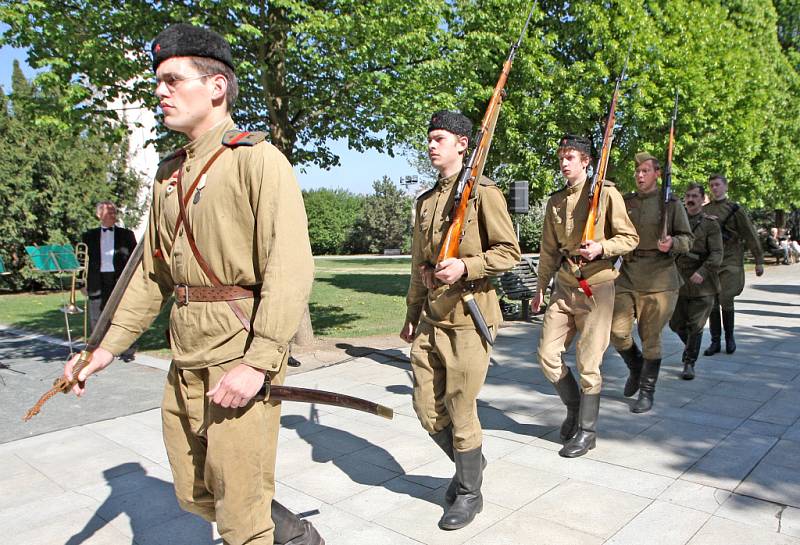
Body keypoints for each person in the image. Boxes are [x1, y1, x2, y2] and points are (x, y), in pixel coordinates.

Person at [64, 24, 321, 545]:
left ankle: (270, 529)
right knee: (194, 491)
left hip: (238, 352)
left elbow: (290, 267)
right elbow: (150, 275)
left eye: (173, 80)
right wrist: (105, 347)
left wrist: (260, 360)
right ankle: (290, 532)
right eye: (158, 81)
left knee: (239, 519)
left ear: (216, 87)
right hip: (185, 356)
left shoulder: (257, 160)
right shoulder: (168, 176)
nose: (160, 91)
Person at [400, 111, 520, 530]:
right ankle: (472, 463)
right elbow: (420, 265)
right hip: (432, 319)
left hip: (470, 318)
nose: (431, 145)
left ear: (463, 144)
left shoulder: (484, 194)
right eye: (429, 138)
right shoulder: (427, 201)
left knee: (460, 406)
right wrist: (411, 313)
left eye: (439, 139)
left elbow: (509, 252)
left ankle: (469, 492)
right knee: (426, 408)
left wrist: (467, 267)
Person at [532, 135, 638, 458]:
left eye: (571, 157)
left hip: (597, 288)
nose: (564, 163)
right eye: (562, 157)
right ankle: (575, 408)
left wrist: (602, 247)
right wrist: (540, 287)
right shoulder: (555, 202)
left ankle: (587, 432)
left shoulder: (606, 195)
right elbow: (549, 251)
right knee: (547, 356)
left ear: (586, 162)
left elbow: (630, 238)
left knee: (588, 363)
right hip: (565, 286)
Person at [610, 152, 693, 413]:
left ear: (657, 174)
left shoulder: (671, 203)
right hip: (629, 274)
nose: (639, 175)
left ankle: (647, 391)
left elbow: (687, 239)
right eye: (637, 171)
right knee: (617, 331)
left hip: (660, 279)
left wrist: (672, 244)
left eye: (646, 170)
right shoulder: (626, 203)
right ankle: (636, 367)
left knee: (651, 338)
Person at [703, 174, 764, 355]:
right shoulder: (705, 210)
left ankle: (729, 338)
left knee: (725, 298)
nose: (714, 188)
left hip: (731, 259)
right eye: (711, 185)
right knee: (712, 301)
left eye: (717, 185)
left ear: (725, 187)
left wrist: (759, 260)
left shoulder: (735, 209)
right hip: (712, 261)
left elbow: (750, 234)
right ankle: (715, 342)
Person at [668, 183, 723, 380]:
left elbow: (717, 253)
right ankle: (690, 347)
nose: (690, 200)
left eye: (694, 196)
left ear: (702, 199)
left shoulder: (710, 224)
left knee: (696, 325)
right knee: (675, 324)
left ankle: (689, 362)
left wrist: (704, 271)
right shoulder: (676, 222)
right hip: (680, 280)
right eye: (688, 196)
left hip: (702, 283)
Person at [81, 201, 138, 361]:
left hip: (118, 279)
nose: (113, 215)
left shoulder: (127, 234)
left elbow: (134, 260)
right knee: (95, 315)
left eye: (114, 212)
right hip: (96, 279)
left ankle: (127, 349)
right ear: (99, 215)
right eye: (109, 212)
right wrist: (82, 284)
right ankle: (95, 349)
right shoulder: (88, 236)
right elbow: (82, 262)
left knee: (122, 313)